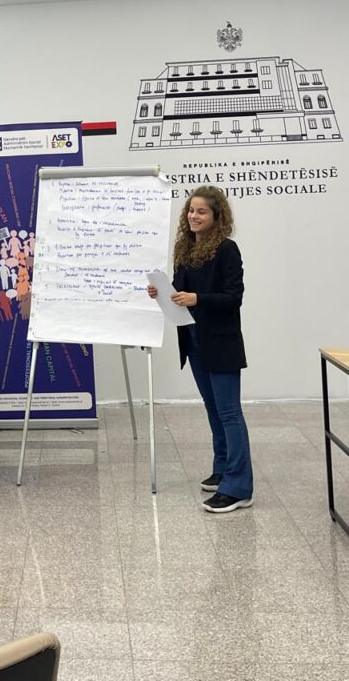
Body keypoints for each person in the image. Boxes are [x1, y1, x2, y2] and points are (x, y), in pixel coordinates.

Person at [147, 186, 253, 513]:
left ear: (216, 216)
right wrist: (161, 293)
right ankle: (222, 469)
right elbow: (179, 292)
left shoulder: (227, 249)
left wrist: (197, 299)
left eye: (201, 211)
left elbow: (233, 297)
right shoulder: (185, 247)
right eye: (191, 210)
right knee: (213, 408)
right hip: (193, 340)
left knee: (229, 412)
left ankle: (239, 487)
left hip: (220, 341)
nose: (194, 216)